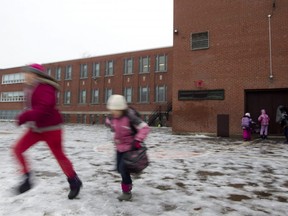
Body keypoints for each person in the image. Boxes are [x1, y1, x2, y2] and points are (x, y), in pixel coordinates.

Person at [12, 63, 82, 199]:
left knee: (59, 156)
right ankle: (27, 178)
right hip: (35, 129)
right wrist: (26, 117)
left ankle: (74, 181)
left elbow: (44, 108)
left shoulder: (46, 88)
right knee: (17, 149)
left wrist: (25, 116)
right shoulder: (30, 88)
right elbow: (34, 108)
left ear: (34, 74)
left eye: (27, 73)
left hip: (51, 129)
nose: (24, 76)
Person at [105, 94, 150, 201]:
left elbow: (145, 128)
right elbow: (110, 123)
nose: (114, 112)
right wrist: (107, 122)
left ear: (122, 109)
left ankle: (127, 191)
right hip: (119, 148)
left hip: (129, 148)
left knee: (122, 169)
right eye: (112, 110)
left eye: (116, 110)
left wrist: (138, 140)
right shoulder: (112, 117)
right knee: (118, 169)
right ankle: (132, 172)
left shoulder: (130, 118)